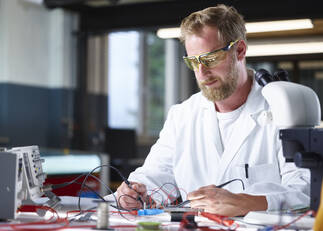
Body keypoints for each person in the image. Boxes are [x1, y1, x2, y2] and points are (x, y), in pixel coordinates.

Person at [116, 4, 310, 217]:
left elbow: (305, 190)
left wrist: (244, 202)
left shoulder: (284, 110)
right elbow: (155, 175)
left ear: (240, 50)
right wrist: (135, 191)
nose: (202, 72)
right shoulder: (182, 115)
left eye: (210, 59)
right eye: (194, 62)